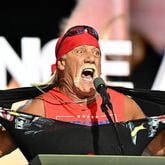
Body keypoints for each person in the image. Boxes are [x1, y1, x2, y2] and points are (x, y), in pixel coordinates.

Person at [0, 25, 164, 159]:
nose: (91, 58)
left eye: (96, 53)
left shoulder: (122, 105)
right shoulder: (39, 109)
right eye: (80, 51)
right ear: (62, 64)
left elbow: (160, 149)